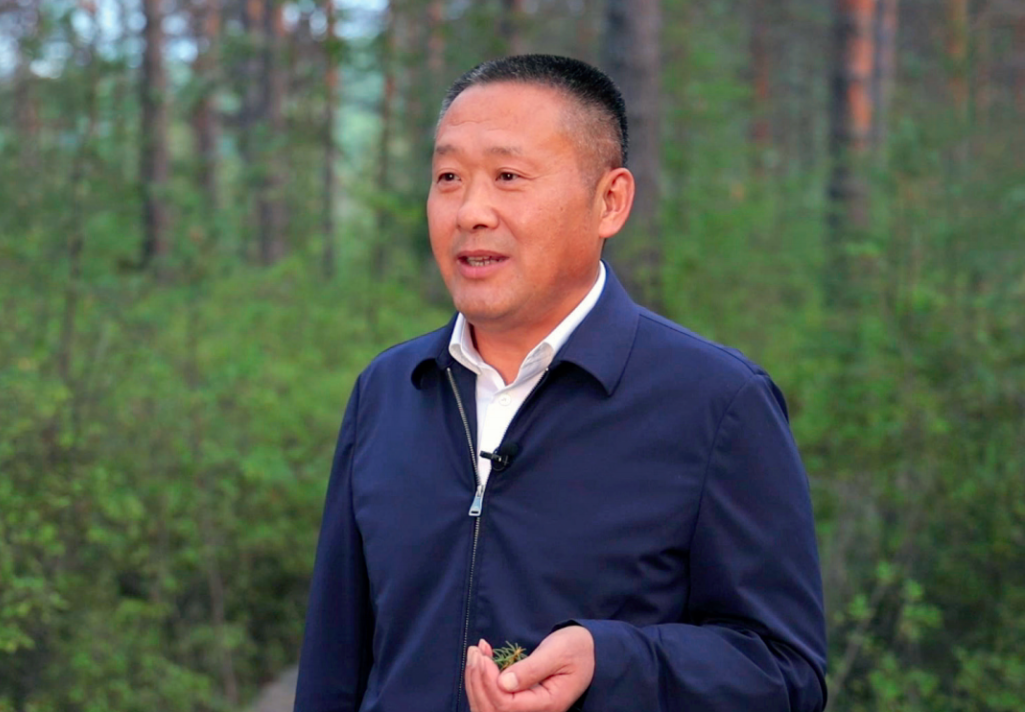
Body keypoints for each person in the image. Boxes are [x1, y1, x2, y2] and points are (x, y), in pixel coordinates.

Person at [294, 54, 827, 712]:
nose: (471, 212)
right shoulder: (390, 391)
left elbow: (785, 672)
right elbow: (334, 665)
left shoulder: (717, 403)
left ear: (609, 202)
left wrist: (611, 664)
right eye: (449, 177)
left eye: (508, 177)